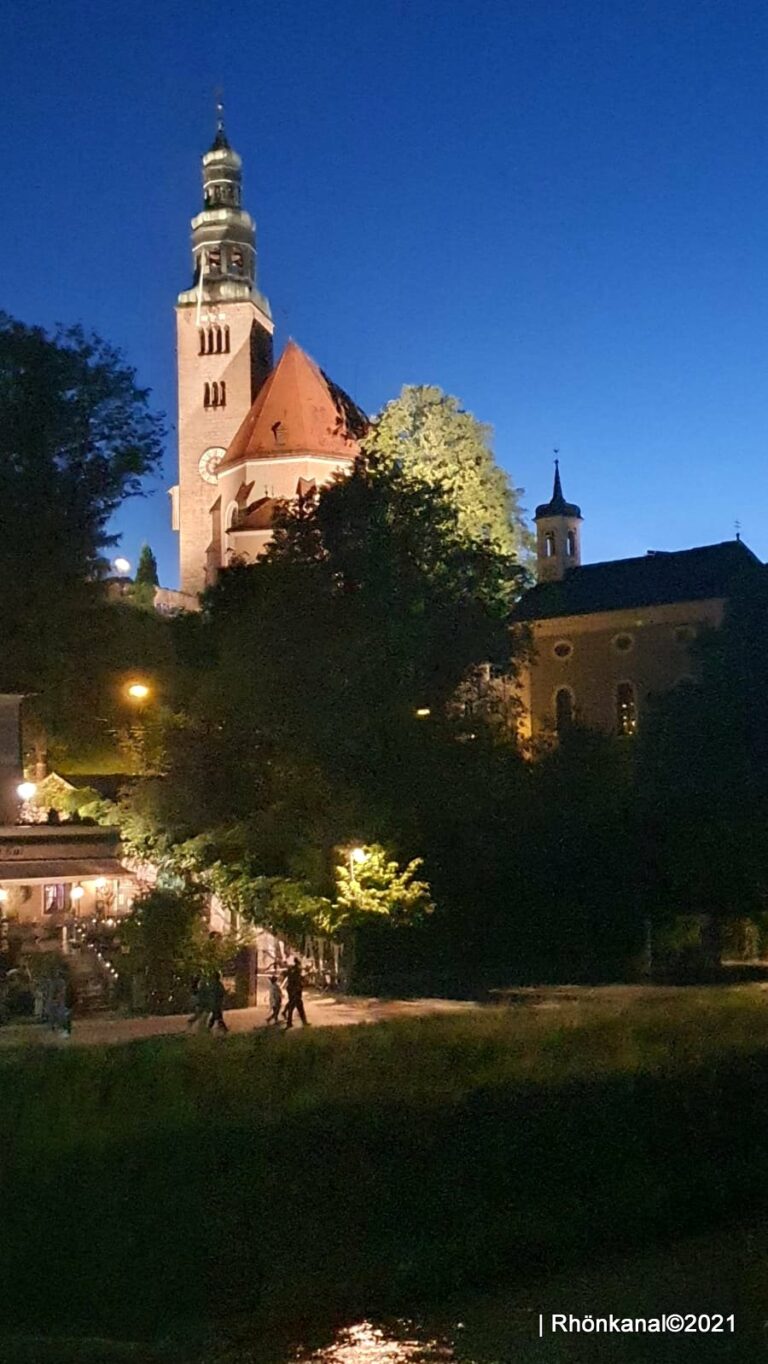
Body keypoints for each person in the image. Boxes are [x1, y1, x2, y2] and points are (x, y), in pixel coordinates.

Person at [284, 957, 309, 1028]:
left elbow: (289, 976)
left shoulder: (291, 969)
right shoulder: (297, 970)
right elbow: (298, 979)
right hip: (296, 991)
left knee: (296, 1006)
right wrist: (303, 980)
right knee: (297, 1006)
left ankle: (291, 1022)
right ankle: (302, 1022)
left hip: (291, 989)